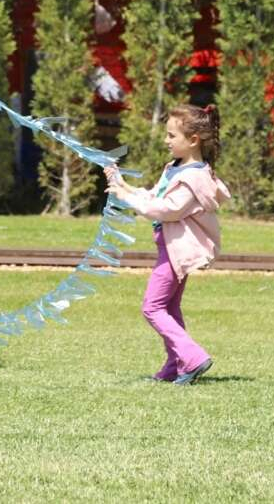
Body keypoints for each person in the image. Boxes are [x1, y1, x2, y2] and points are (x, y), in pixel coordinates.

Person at [104, 104, 230, 385]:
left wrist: (126, 199)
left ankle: (193, 358)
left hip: (177, 254)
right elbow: (153, 196)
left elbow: (166, 209)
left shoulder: (193, 179)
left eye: (172, 135)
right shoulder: (175, 169)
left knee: (152, 307)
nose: (166, 140)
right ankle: (175, 365)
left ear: (193, 140)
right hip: (168, 250)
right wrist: (123, 186)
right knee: (169, 309)